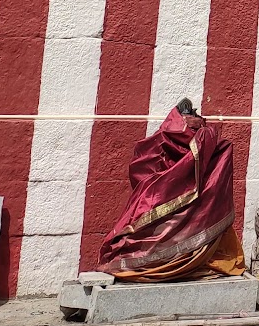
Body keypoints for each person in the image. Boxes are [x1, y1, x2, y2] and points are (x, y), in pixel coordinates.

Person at [98, 99, 246, 281]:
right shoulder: (209, 138)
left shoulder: (164, 136)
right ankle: (186, 260)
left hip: (158, 194)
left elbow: (142, 166)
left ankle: (150, 259)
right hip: (197, 201)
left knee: (147, 223)